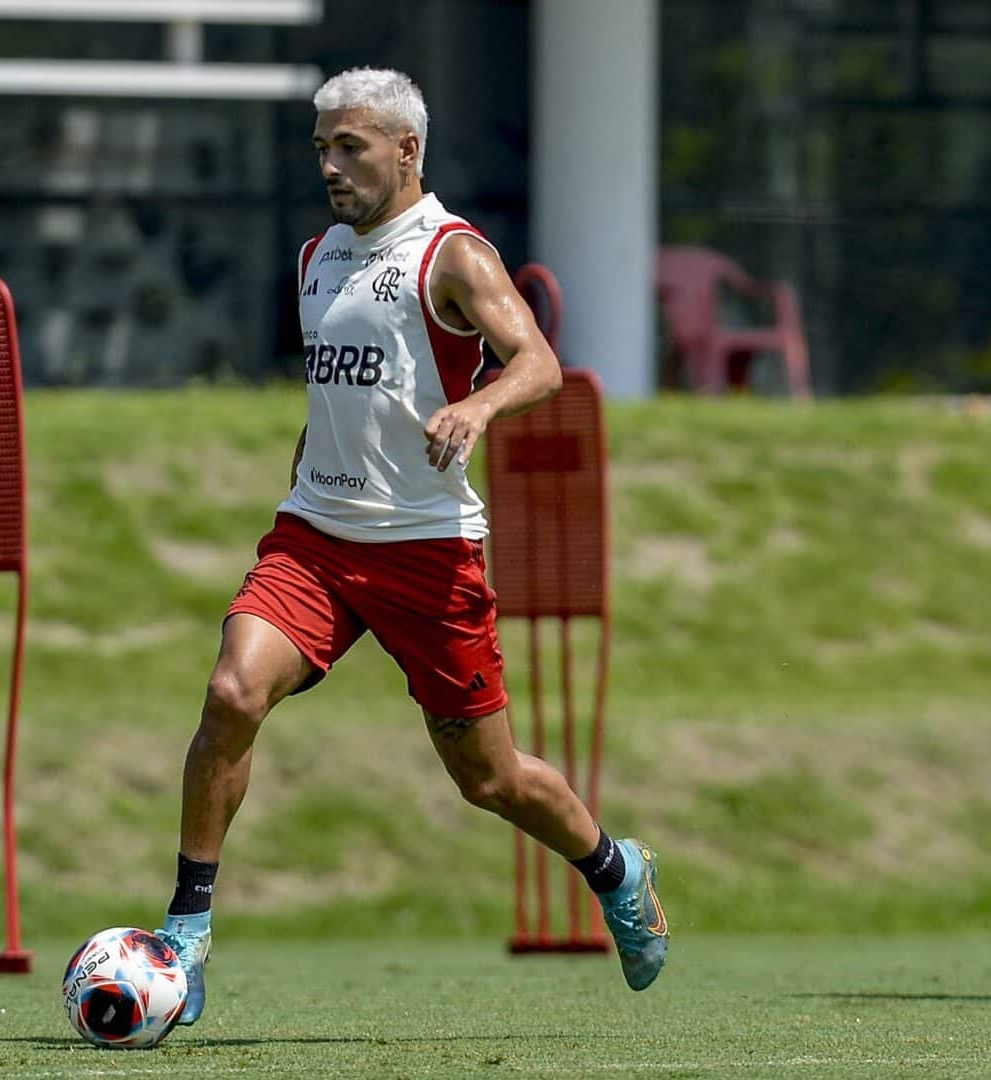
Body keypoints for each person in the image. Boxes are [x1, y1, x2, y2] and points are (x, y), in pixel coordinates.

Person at [154, 68, 668, 1022]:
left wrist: (474, 404)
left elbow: (542, 364)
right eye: (321, 149)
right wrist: (309, 478)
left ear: (406, 150)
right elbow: (337, 397)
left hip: (427, 551)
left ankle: (613, 865)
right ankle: (186, 933)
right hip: (313, 539)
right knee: (231, 693)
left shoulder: (452, 253)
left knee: (490, 779)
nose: (331, 166)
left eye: (350, 147)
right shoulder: (317, 256)